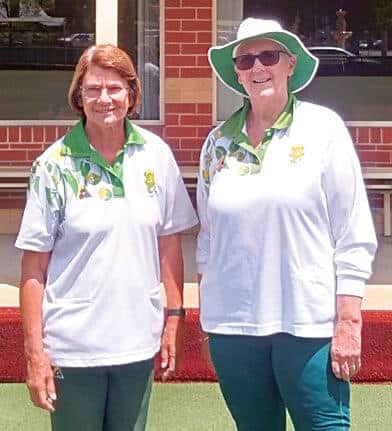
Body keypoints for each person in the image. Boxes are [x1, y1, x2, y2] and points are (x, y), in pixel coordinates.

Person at [196, 18, 377, 431]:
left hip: (308, 323)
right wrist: (210, 323)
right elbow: (208, 240)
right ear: (237, 72)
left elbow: (353, 233)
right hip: (234, 328)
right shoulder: (217, 142)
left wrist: (348, 322)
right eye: (245, 60)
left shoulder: (323, 129)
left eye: (268, 56)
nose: (257, 67)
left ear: (290, 64)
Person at [15, 44, 198, 431]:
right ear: (78, 97)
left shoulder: (156, 155)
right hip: (73, 349)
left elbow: (168, 243)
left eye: (114, 88)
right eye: (92, 89)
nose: (104, 98)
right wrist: (35, 354)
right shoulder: (53, 166)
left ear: (132, 94)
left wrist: (174, 318)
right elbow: (34, 268)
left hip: (136, 344)